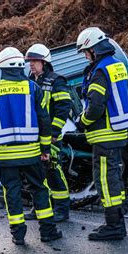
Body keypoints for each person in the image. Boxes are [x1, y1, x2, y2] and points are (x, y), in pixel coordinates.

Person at [0, 47, 62, 245]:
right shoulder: (33, 88)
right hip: (32, 153)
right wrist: (45, 149)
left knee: (12, 192)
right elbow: (44, 120)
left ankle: (18, 234)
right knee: (40, 189)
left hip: (5, 155)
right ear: (19, 66)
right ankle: (48, 232)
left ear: (2, 67)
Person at [75, 27, 128, 241]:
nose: (85, 56)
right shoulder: (118, 67)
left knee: (105, 181)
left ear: (94, 49)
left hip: (104, 135)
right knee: (114, 178)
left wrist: (81, 122)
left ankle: (114, 226)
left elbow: (95, 107)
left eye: (86, 51)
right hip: (119, 133)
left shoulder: (99, 71)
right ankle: (118, 219)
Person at [24, 43, 73, 222]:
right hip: (33, 138)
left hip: (50, 137)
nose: (31, 64)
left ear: (44, 62)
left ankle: (62, 209)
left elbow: (63, 107)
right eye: (29, 61)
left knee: (53, 171)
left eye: (35, 61)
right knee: (36, 174)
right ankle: (39, 207)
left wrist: (53, 132)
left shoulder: (56, 80)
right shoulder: (29, 81)